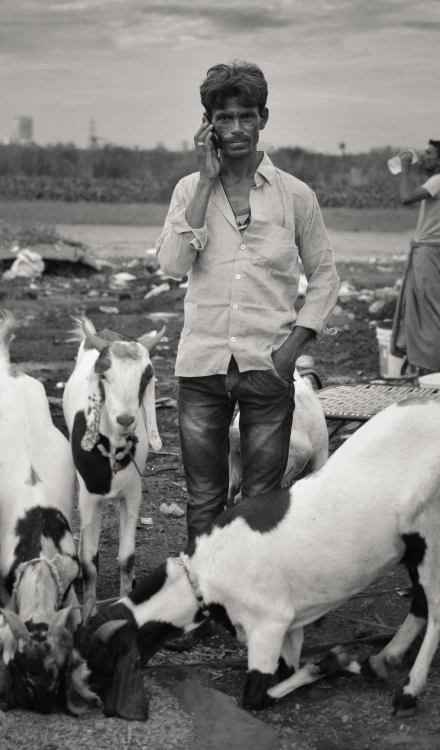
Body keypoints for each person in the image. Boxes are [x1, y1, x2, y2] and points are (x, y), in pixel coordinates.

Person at [155, 61, 339, 648]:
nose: (235, 127)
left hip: (268, 368)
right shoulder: (190, 190)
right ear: (207, 124)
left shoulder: (294, 196)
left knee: (261, 501)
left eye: (245, 115)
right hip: (202, 366)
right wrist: (206, 181)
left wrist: (292, 350)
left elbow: (327, 276)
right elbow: (171, 265)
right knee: (204, 497)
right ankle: (204, 607)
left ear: (263, 119)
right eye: (222, 117)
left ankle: (253, 607)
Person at [390, 140, 440, 374]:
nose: (424, 156)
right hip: (433, 251)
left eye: (429, 153)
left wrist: (405, 168)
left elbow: (406, 197)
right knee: (428, 309)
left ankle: (430, 371)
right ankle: (430, 367)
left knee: (427, 311)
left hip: (430, 251)